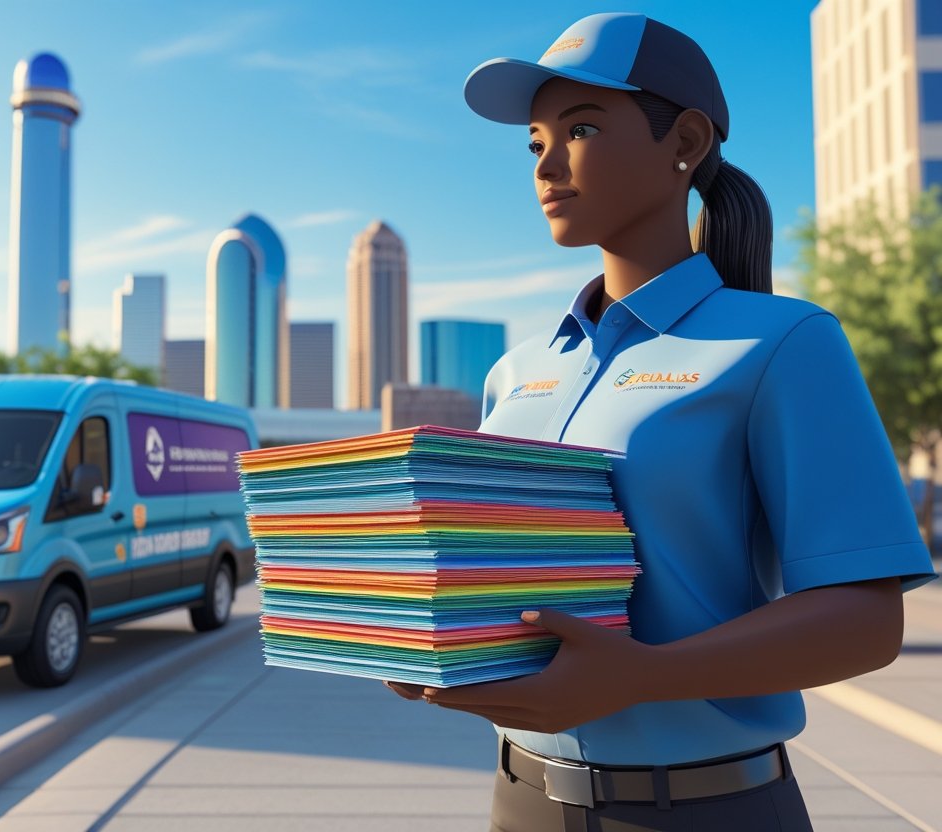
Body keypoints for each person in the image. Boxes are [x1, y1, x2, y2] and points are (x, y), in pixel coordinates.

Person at [385, 12, 937, 832]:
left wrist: (642, 675)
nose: (547, 164)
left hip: (706, 810)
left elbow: (864, 618)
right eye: (534, 142)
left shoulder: (783, 342)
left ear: (683, 139)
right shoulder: (516, 373)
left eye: (579, 129)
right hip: (520, 802)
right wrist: (424, 634)